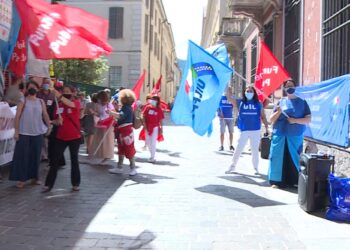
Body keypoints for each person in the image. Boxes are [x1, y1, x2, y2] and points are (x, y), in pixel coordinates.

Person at [268, 79, 311, 188]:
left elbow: (308, 120)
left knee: (294, 158)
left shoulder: (302, 102)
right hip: (280, 134)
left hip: (295, 135)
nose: (289, 87)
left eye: (291, 85)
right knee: (278, 158)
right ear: (284, 89)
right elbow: (271, 119)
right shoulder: (280, 102)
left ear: (295, 87)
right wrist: (278, 111)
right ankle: (276, 181)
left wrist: (295, 120)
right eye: (287, 86)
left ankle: (295, 181)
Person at [9, 80, 51, 188]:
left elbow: (45, 115)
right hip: (23, 133)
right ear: (27, 89)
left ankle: (34, 178)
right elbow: (17, 117)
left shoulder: (41, 101)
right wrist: (16, 132)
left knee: (35, 157)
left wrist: (49, 125)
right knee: (22, 156)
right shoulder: (22, 101)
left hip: (37, 133)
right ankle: (21, 179)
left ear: (37, 89)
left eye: (34, 86)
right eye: (30, 87)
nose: (32, 88)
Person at [43, 85, 82, 192]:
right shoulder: (58, 105)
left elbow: (70, 104)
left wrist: (58, 94)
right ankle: (48, 184)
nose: (65, 93)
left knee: (74, 160)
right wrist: (55, 121)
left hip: (74, 137)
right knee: (54, 161)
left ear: (73, 93)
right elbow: (54, 120)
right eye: (63, 91)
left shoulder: (76, 103)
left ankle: (75, 184)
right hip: (60, 137)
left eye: (67, 91)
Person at [225, 85, 269, 174]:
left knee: (254, 150)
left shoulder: (258, 103)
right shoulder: (240, 102)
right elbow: (229, 98)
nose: (249, 93)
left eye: (251, 91)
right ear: (244, 92)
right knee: (238, 148)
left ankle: (255, 168)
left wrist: (267, 127)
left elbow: (263, 116)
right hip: (244, 130)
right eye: (247, 91)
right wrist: (228, 89)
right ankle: (232, 166)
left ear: (254, 93)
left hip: (255, 130)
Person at [108, 89, 137, 176]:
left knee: (128, 149)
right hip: (123, 131)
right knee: (121, 149)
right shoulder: (126, 108)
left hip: (126, 132)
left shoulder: (126, 108)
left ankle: (133, 168)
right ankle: (120, 167)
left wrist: (111, 113)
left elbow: (121, 116)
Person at [90, 90, 115, 163]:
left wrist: (110, 114)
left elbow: (113, 114)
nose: (98, 100)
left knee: (107, 140)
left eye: (99, 98)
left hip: (108, 124)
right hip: (100, 123)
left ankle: (107, 156)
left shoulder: (109, 105)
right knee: (99, 139)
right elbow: (98, 114)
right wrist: (94, 113)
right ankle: (100, 154)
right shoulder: (98, 105)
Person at [37, 78, 55, 162]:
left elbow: (55, 106)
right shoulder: (38, 94)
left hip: (48, 118)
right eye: (44, 83)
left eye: (47, 83)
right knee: (40, 137)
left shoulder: (53, 95)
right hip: (38, 118)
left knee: (46, 137)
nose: (46, 84)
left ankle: (46, 155)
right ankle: (42, 155)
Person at [142, 95, 164, 163]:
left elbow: (160, 120)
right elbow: (143, 116)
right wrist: (144, 125)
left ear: (157, 101)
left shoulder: (159, 109)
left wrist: (161, 128)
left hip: (155, 127)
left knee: (153, 142)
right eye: (152, 99)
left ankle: (152, 157)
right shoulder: (148, 107)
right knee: (148, 142)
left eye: (155, 100)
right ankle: (151, 154)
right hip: (147, 126)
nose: (153, 101)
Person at [217, 87, 235, 151]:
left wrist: (231, 98)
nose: (229, 92)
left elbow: (235, 106)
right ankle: (221, 146)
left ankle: (231, 145)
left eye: (230, 91)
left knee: (231, 132)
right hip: (223, 118)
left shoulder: (232, 98)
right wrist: (219, 113)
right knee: (222, 132)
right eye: (228, 91)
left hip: (230, 118)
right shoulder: (221, 98)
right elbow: (218, 107)